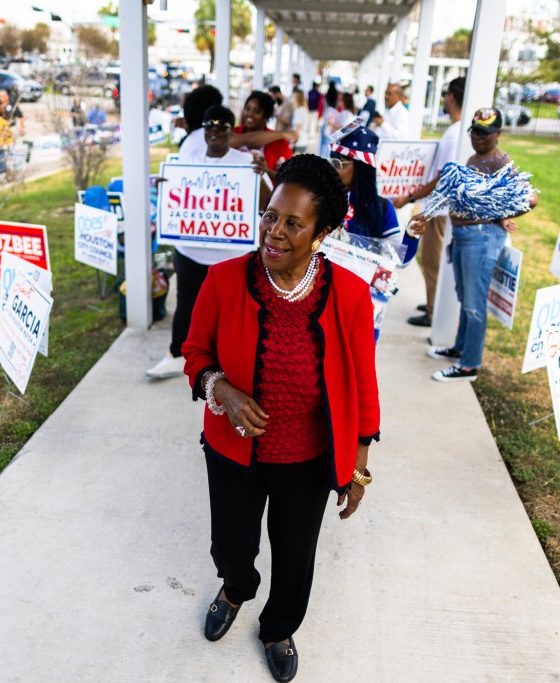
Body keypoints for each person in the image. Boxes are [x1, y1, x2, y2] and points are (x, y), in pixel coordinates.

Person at [182, 154, 378, 683]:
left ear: (323, 233)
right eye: (271, 215)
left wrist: (358, 466)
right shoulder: (223, 281)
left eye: (294, 223)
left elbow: (363, 384)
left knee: (295, 554)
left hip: (309, 458)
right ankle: (236, 588)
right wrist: (221, 387)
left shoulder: (352, 294)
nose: (274, 231)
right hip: (232, 450)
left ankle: (278, 627)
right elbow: (195, 353)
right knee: (233, 543)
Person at [145, 105, 271, 379]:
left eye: (222, 126)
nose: (214, 131)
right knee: (186, 305)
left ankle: (231, 360)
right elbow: (176, 192)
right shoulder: (188, 156)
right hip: (190, 252)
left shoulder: (247, 161)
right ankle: (177, 355)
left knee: (234, 311)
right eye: (209, 126)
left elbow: (266, 205)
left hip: (233, 255)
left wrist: (262, 174)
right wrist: (163, 187)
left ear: (231, 131)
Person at [421, 107, 537, 383]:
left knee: (474, 303)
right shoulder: (475, 158)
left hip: (481, 239)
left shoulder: (500, 162)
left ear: (498, 134)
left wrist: (500, 215)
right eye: (475, 132)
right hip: (465, 237)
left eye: (485, 134)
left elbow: (531, 199)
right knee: (465, 296)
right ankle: (460, 348)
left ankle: (469, 365)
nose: (479, 138)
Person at [392, 77, 466, 326]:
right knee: (430, 259)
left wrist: (411, 197)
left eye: (446, 95)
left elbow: (442, 177)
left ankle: (434, 311)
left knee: (433, 261)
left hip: (441, 210)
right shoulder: (455, 130)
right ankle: (432, 301)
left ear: (452, 97)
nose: (444, 100)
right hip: (439, 208)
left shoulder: (456, 134)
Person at [329, 126, 403, 253]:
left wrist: (412, 235)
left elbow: (399, 258)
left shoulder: (382, 207)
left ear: (361, 167)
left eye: (339, 163)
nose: (333, 169)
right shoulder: (323, 198)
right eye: (332, 162)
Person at [235, 91, 295, 178]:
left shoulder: (280, 142)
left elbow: (288, 179)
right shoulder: (233, 133)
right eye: (247, 109)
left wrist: (267, 171)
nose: (250, 114)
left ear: (266, 115)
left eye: (257, 111)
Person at [0, 89, 24, 176]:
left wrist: (21, 128)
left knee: (10, 152)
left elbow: (21, 117)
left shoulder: (12, 106)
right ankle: (1, 170)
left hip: (10, 131)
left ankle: (11, 170)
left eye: (4, 96)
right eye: (0, 96)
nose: (2, 98)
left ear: (8, 96)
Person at [317, 82, 340, 159]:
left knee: (322, 142)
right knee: (329, 141)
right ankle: (327, 158)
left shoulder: (324, 97)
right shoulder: (337, 99)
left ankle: (319, 157)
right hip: (332, 122)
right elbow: (339, 110)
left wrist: (318, 119)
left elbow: (320, 109)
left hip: (324, 121)